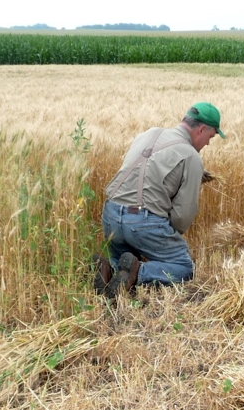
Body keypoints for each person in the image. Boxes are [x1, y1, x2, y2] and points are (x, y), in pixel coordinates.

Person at [94, 102, 224, 298]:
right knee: (184, 267)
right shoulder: (191, 157)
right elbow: (182, 215)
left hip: (110, 215)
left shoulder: (149, 133)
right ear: (201, 129)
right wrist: (164, 234)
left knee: (126, 258)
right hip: (141, 222)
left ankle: (111, 269)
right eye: (210, 137)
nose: (208, 143)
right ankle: (138, 273)